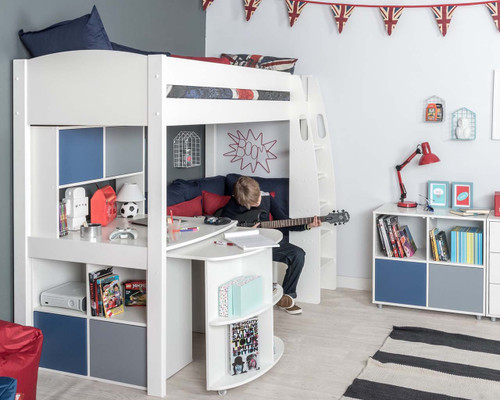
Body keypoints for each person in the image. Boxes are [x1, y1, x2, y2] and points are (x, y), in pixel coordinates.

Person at [221, 176, 321, 315]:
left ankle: (287, 297)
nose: (258, 201)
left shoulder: (266, 197)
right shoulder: (231, 207)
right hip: (249, 247)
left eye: (258, 198)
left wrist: (307, 225)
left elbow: (284, 221)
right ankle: (255, 298)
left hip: (270, 242)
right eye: (253, 202)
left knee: (298, 254)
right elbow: (225, 230)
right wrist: (245, 232)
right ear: (242, 201)